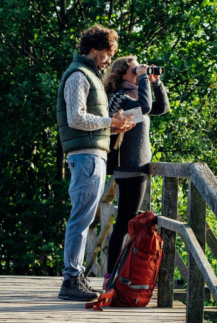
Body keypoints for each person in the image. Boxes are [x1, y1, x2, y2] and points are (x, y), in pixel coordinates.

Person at [55, 25, 135, 301]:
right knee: (81, 218)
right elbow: (76, 118)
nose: (109, 59)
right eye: (108, 52)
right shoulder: (79, 75)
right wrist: (109, 121)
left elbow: (87, 123)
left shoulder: (89, 74)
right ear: (96, 47)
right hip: (86, 156)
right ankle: (71, 280)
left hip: (92, 153)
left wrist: (114, 127)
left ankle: (75, 277)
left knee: (84, 217)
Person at [101, 56, 170, 288]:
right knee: (124, 224)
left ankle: (116, 276)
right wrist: (143, 80)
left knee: (125, 223)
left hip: (135, 167)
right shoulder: (119, 98)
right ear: (122, 74)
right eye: (134, 69)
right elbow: (146, 107)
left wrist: (155, 82)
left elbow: (161, 108)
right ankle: (113, 278)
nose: (138, 71)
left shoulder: (134, 96)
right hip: (129, 168)